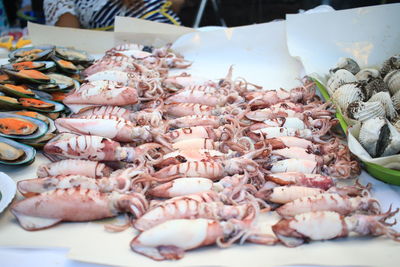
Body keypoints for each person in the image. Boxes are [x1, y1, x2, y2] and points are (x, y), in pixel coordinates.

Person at [43, 0, 185, 30]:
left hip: (174, 41)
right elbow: (68, 41)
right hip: (114, 55)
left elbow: (177, 3)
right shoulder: (58, 3)